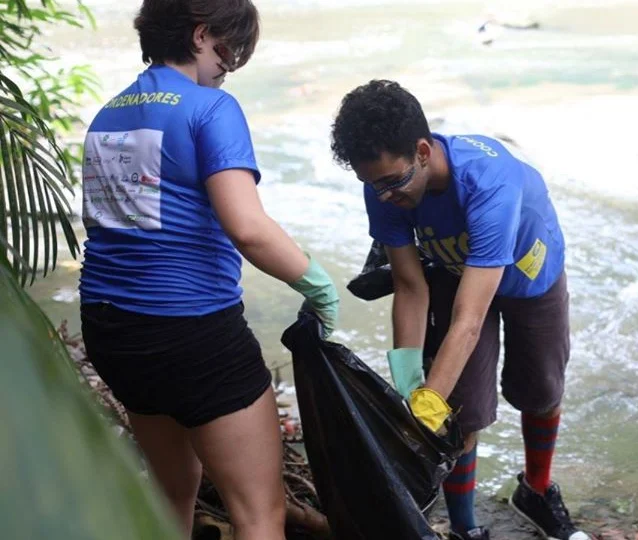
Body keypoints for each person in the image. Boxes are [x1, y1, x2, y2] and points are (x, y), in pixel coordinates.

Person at [78, 2, 339, 539]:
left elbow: (115, 226)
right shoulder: (210, 109)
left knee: (171, 493)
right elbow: (248, 227)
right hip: (193, 335)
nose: (228, 68)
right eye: (229, 51)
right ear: (202, 36)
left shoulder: (108, 114)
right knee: (259, 513)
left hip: (111, 329)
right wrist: (318, 285)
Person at [331, 80, 589, 540]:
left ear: (424, 151)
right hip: (452, 270)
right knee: (461, 410)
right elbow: (410, 286)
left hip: (530, 274)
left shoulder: (489, 183)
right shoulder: (384, 186)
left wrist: (427, 404)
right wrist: (411, 378)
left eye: (392, 182)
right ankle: (466, 529)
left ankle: (537, 488)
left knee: (542, 389)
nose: (384, 196)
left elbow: (470, 320)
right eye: (371, 184)